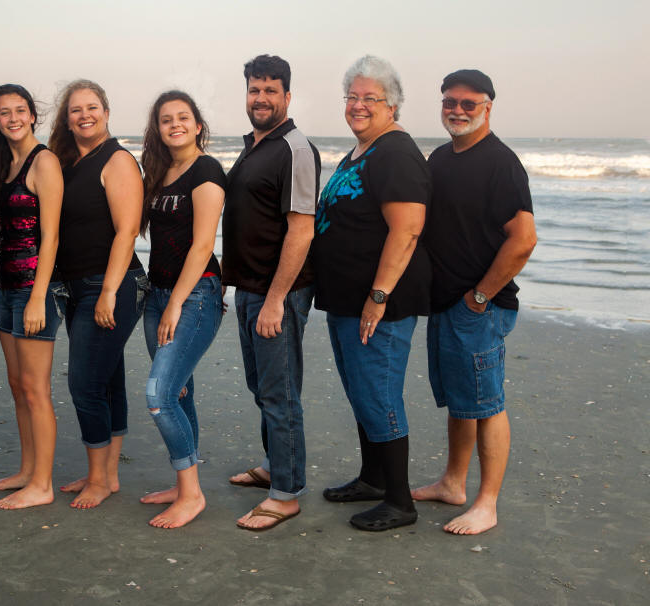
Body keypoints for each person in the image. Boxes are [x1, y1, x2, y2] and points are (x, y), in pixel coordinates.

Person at [411, 69, 537, 535]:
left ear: (488, 107)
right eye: (450, 102)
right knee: (462, 399)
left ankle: (487, 503)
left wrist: (480, 296)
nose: (458, 110)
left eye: (469, 103)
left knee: (487, 403)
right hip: (447, 302)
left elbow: (523, 239)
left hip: (480, 307)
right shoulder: (441, 158)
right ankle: (453, 483)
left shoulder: (501, 163)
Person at [311, 55, 431, 531]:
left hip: (380, 305)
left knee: (379, 395)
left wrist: (377, 296)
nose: (358, 105)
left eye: (370, 98)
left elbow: (407, 230)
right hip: (346, 300)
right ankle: (373, 479)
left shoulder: (396, 153)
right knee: (362, 393)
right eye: (352, 97)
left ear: (393, 105)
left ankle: (400, 501)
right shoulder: (363, 150)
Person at [223, 55, 320, 531]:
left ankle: (286, 494)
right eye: (254, 89)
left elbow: (301, 230)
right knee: (262, 387)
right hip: (249, 288)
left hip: (277, 293)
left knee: (280, 394)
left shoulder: (295, 149)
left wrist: (277, 300)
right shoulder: (255, 146)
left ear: (287, 96)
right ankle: (273, 465)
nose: (260, 98)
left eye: (270, 90)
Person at [48, 79, 148, 510]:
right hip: (76, 287)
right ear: (67, 119)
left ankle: (98, 479)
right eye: (76, 110)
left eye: (92, 107)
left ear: (106, 112)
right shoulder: (68, 162)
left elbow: (128, 230)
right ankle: (108, 475)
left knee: (85, 384)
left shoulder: (118, 160)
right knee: (107, 378)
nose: (84, 115)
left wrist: (108, 291)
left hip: (111, 285)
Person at [137, 91, 225, 529]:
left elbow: (204, 244)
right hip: (158, 294)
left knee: (159, 395)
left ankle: (192, 495)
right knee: (179, 391)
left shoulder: (207, 170)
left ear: (197, 125)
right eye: (166, 119)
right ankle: (183, 484)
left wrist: (175, 304)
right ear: (158, 128)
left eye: (183, 117)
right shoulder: (159, 172)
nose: (175, 124)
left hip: (195, 296)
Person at [0, 84, 65, 510]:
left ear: (32, 115)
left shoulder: (44, 162)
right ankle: (27, 471)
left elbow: (51, 237)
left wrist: (38, 297)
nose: (13, 118)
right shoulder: (5, 162)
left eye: (20, 110)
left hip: (35, 290)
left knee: (35, 389)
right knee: (18, 386)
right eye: (4, 112)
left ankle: (43, 484)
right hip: (7, 288)